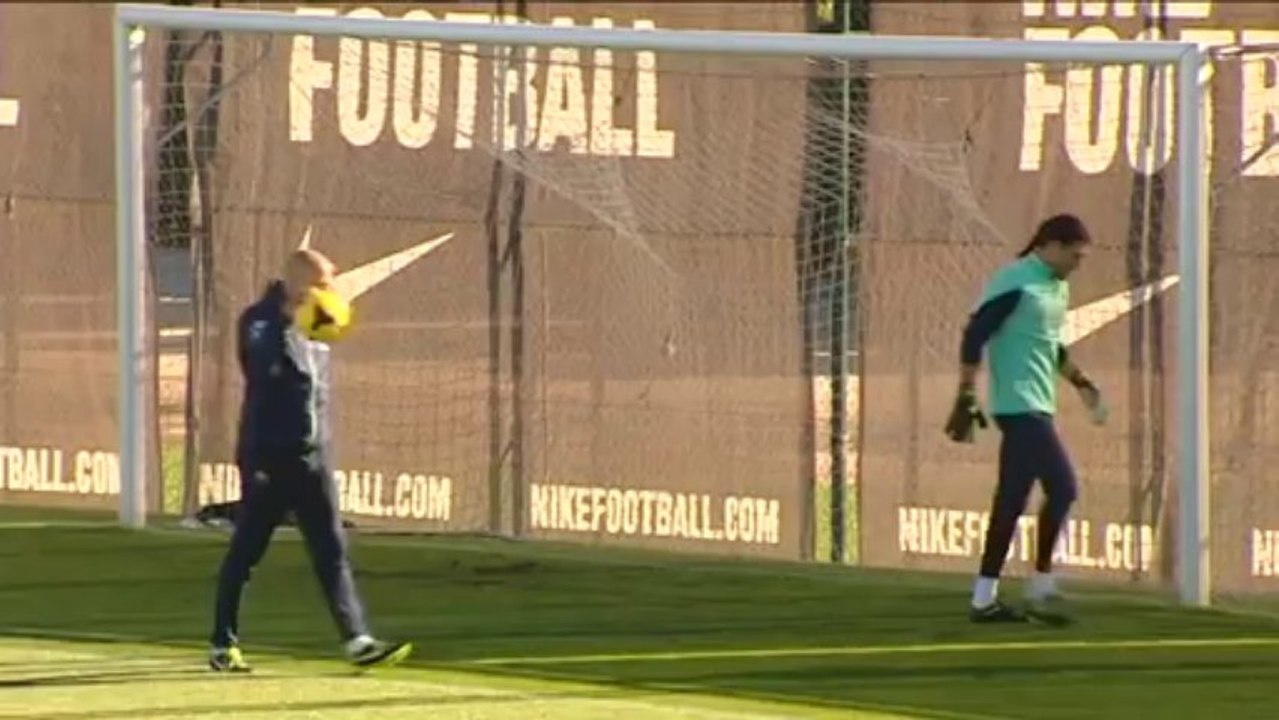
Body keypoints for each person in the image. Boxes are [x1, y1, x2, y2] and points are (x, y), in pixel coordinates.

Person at [208, 249, 411, 672]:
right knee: (247, 551)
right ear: (298, 282)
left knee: (331, 548)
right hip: (269, 455)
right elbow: (266, 372)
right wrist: (291, 325)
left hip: (313, 456)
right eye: (321, 283)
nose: (329, 291)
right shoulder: (261, 321)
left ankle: (357, 639)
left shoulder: (319, 319)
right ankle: (222, 644)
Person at [944, 213, 1106, 626]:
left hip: (1038, 405)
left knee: (1012, 500)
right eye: (1074, 255)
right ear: (1051, 246)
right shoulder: (1016, 281)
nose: (1077, 264)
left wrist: (1081, 382)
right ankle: (1040, 583)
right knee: (1063, 486)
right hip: (1018, 406)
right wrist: (966, 391)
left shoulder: (1057, 288)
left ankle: (984, 598)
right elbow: (975, 334)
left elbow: (1050, 346)